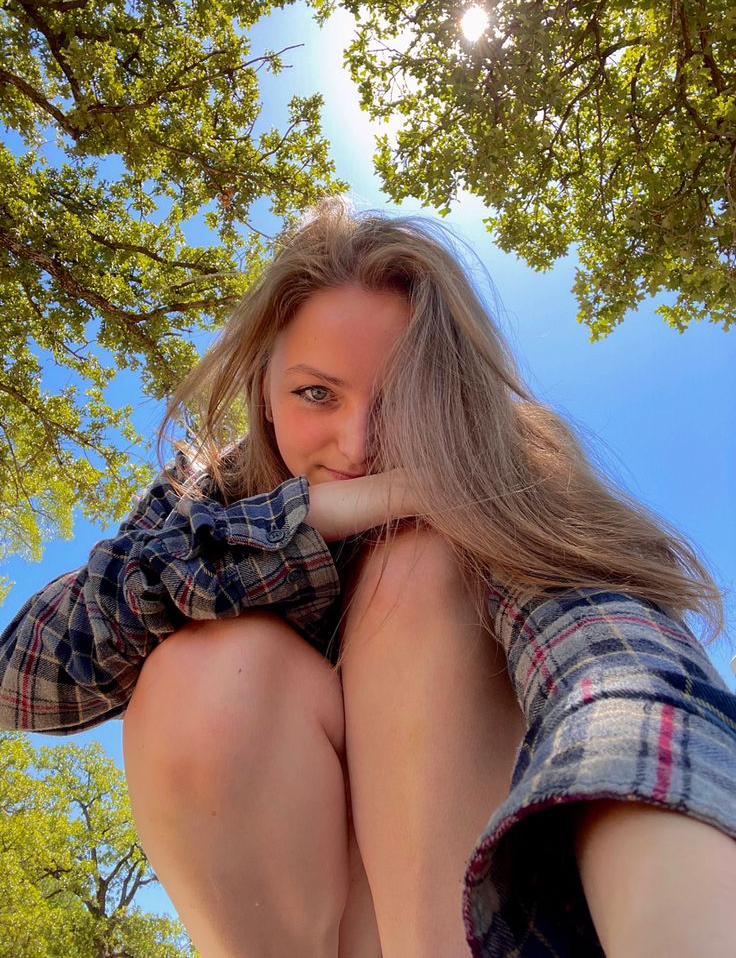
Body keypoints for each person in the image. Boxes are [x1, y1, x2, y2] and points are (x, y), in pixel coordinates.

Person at [1, 197, 735, 958]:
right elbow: (19, 678)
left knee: (415, 562)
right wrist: (310, 518)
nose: (355, 443)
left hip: (482, 906)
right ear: (263, 383)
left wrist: (673, 842)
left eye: (397, 401)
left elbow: (604, 646)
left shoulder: (503, 462)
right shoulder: (207, 494)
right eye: (317, 393)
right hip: (310, 921)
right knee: (210, 669)